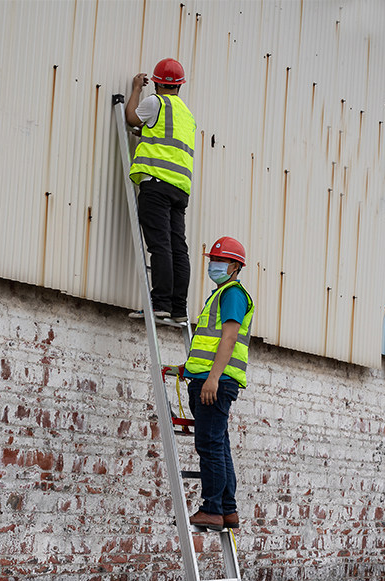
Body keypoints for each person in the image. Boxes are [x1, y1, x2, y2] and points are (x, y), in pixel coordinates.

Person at [184, 237, 255, 531]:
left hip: (216, 382)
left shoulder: (233, 294)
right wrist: (189, 368)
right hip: (209, 378)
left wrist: (212, 378)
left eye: (220, 261)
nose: (214, 265)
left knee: (210, 446)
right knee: (219, 446)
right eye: (212, 260)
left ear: (235, 266)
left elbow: (229, 338)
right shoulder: (221, 294)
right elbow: (211, 343)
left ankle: (212, 509)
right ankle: (227, 510)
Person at [125, 58, 196, 324]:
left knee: (160, 245)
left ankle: (160, 303)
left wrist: (135, 89)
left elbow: (131, 117)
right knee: (178, 248)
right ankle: (178, 308)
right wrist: (146, 133)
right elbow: (166, 137)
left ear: (156, 83)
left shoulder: (156, 103)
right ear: (180, 86)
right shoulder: (187, 115)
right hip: (180, 188)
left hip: (156, 183)